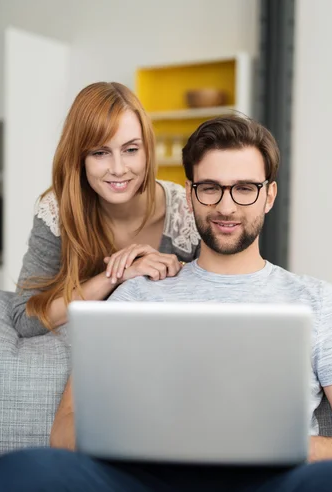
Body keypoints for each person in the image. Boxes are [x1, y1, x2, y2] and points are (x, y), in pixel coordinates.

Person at [0, 115, 332, 492]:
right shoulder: (138, 296)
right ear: (190, 194)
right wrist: (129, 434)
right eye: (210, 188)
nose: (226, 206)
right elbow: (64, 429)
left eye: (245, 189)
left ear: (269, 196)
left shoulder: (315, 299)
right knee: (9, 483)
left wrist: (305, 449)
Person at [12, 81, 200, 337]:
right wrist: (116, 276)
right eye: (100, 153)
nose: (119, 168)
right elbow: (25, 319)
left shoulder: (187, 210)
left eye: (131, 149)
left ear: (147, 150)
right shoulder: (57, 211)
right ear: (79, 158)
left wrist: (177, 269)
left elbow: (218, 299)